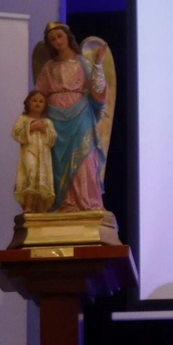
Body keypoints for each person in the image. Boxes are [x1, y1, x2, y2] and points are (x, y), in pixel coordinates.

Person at [34, 21, 107, 211]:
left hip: (80, 113)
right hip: (54, 116)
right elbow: (39, 94)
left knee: (85, 158)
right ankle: (63, 204)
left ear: (68, 36)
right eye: (52, 39)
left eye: (60, 36)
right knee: (57, 161)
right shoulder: (49, 67)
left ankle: (86, 202)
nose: (57, 41)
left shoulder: (83, 62)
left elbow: (98, 89)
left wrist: (98, 63)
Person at [12, 89, 57, 213]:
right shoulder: (23, 119)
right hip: (29, 152)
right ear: (28, 103)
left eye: (41, 101)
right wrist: (31, 127)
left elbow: (53, 138)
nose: (38, 103)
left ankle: (41, 208)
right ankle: (29, 206)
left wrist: (44, 129)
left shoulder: (47, 122)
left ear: (45, 105)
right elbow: (16, 133)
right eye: (34, 100)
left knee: (43, 178)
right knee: (31, 174)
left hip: (44, 155)